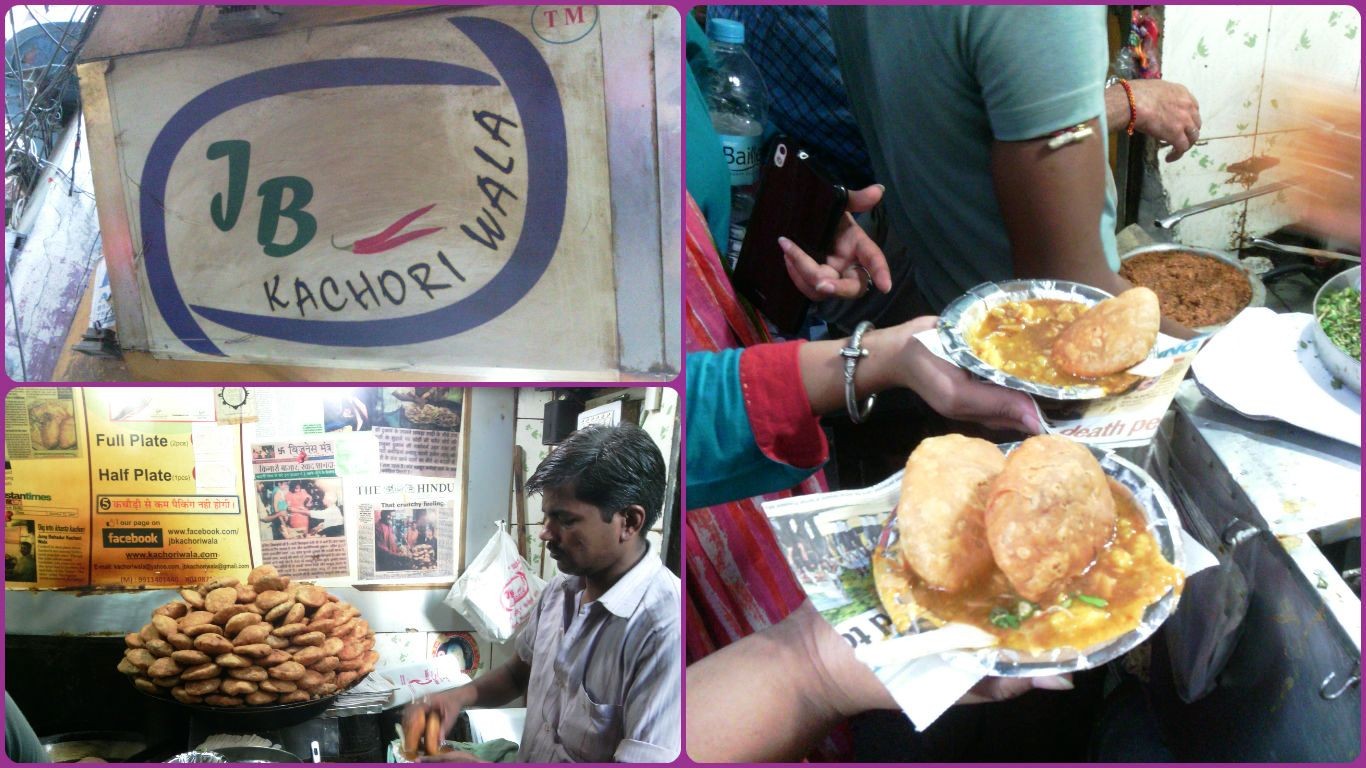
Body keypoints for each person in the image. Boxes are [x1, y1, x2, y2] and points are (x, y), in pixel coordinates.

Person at [793, 6, 1193, 340]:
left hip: (955, 326)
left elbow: (963, 111)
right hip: (1038, 365)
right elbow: (1068, 293)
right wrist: (1218, 355)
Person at [405, 424, 679, 763]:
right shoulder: (560, 590)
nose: (546, 534)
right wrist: (459, 697)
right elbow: (518, 673)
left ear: (629, 521)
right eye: (547, 517)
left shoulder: (664, 628)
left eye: (564, 519)